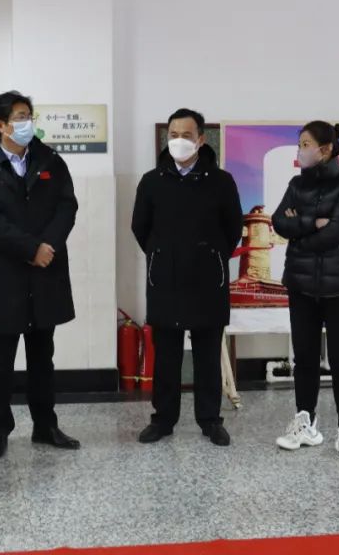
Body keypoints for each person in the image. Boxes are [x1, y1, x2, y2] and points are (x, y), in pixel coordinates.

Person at [0, 91, 81, 460]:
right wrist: (31, 248)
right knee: (0, 360)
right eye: (19, 116)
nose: (26, 122)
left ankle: (45, 425)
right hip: (5, 275)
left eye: (29, 115)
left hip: (45, 271)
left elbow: (67, 206)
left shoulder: (50, 160)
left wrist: (48, 245)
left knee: (42, 357)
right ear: (0, 125)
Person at [131, 108, 243, 447]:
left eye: (186, 135)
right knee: (167, 356)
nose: (179, 141)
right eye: (173, 135)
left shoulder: (221, 181)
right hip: (165, 279)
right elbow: (140, 227)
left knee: (208, 355)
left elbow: (233, 229)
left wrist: (211, 255)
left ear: (201, 139)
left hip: (208, 280)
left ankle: (210, 420)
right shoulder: (152, 181)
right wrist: (161, 254)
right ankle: (163, 420)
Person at [271, 122, 339, 462]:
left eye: (305, 144)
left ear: (325, 149)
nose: (301, 150)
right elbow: (279, 222)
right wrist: (313, 223)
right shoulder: (296, 184)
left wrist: (300, 232)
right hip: (302, 286)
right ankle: (306, 422)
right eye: (300, 144)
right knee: (304, 357)